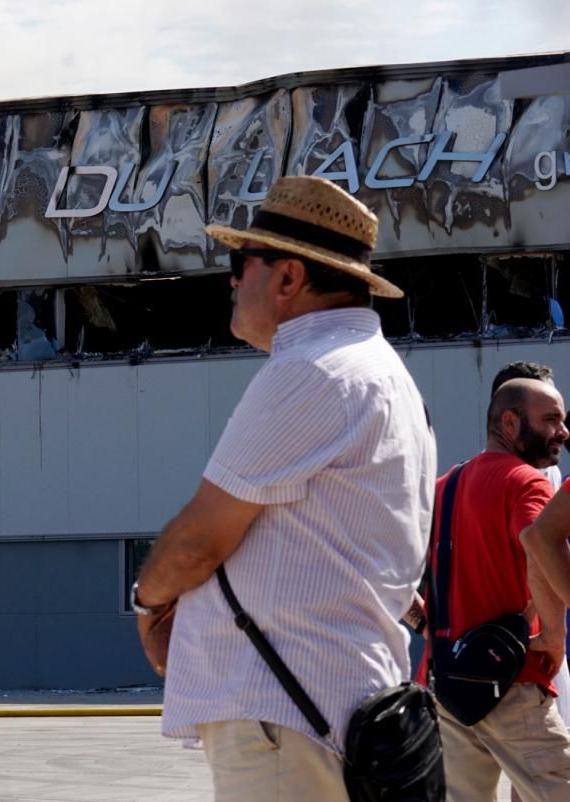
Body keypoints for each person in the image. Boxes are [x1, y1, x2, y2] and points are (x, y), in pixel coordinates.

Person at [132, 176, 435, 801]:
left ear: (289, 278)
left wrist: (148, 604)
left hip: (287, 713)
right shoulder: (384, 374)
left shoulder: (310, 370)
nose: (234, 280)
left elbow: (198, 540)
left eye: (243, 262)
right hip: (341, 700)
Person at [419, 378, 570, 801]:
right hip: (513, 681)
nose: (563, 431)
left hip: (447, 683)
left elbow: (394, 579)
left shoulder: (443, 488)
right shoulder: (527, 482)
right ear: (510, 421)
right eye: (551, 419)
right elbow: (540, 545)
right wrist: (555, 637)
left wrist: (424, 626)